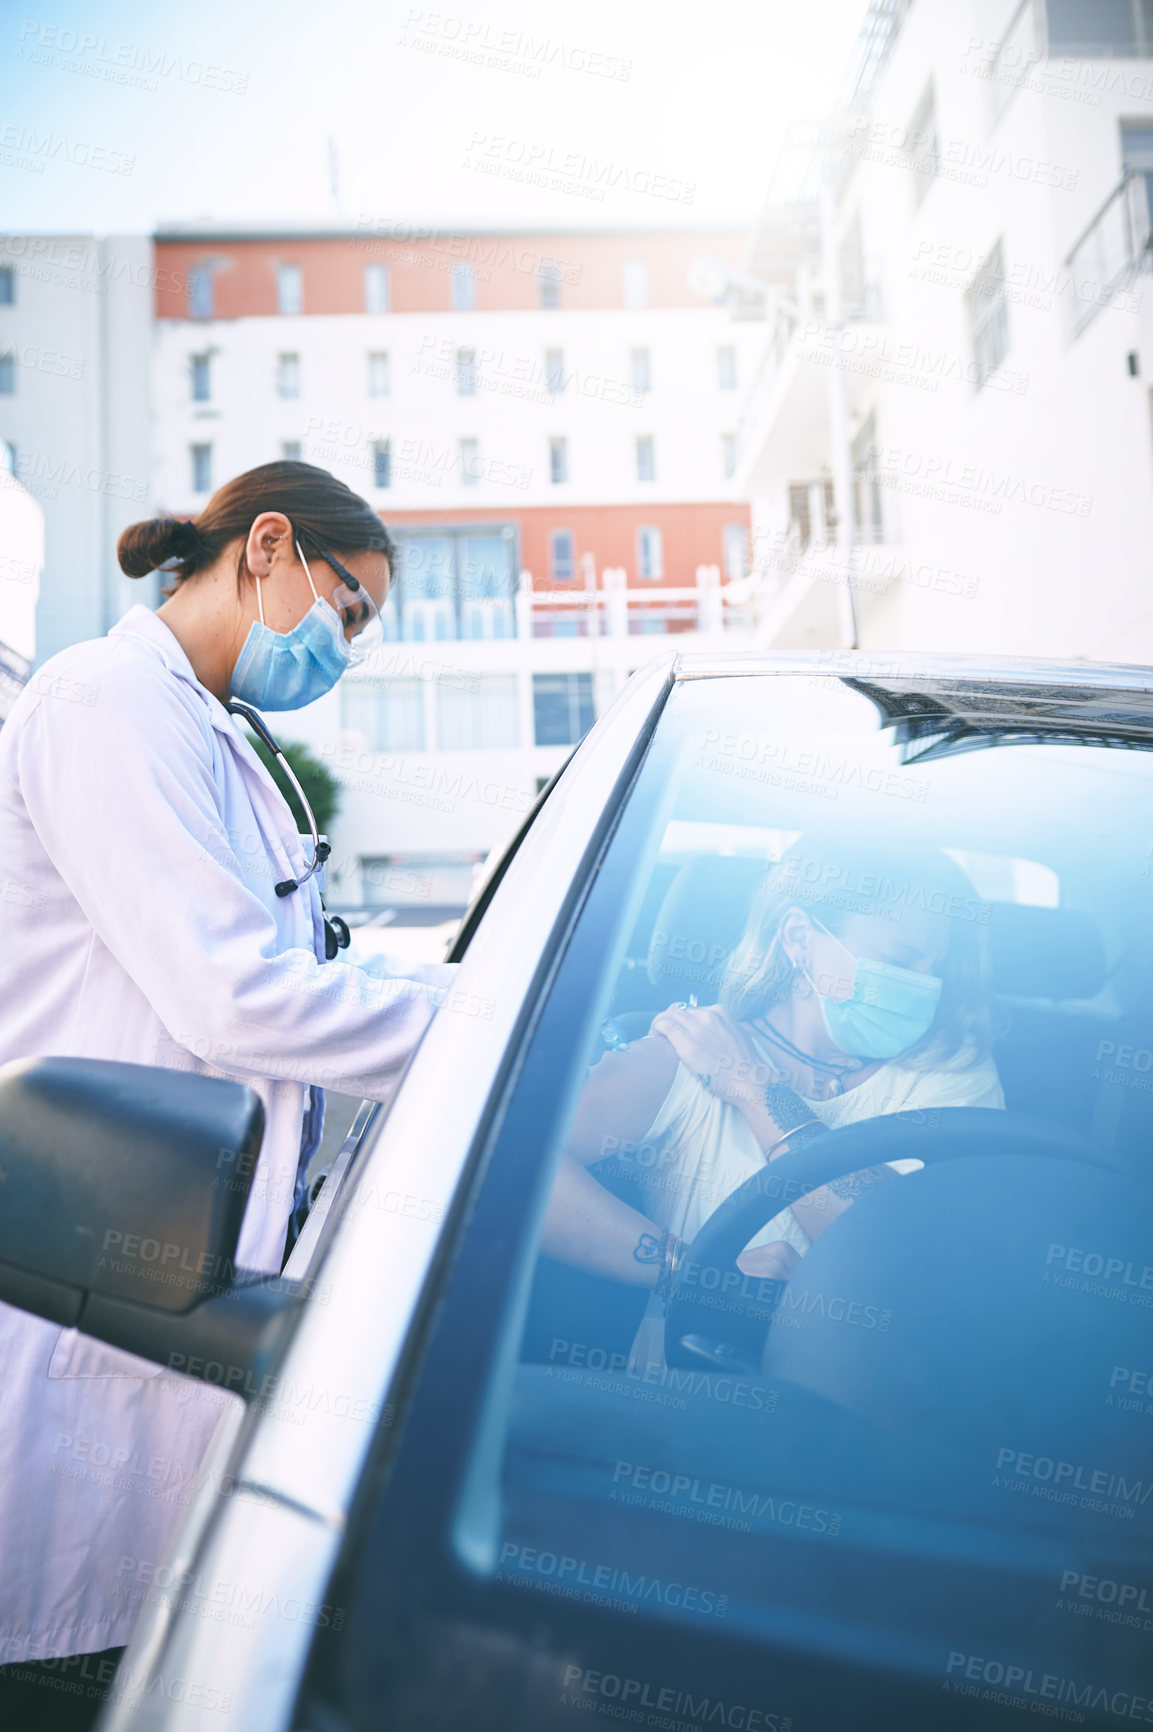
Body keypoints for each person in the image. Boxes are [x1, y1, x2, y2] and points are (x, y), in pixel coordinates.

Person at [0, 462, 458, 1705]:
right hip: (92, 1283)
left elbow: (302, 974)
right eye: (347, 610)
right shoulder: (102, 702)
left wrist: (457, 993)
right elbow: (234, 998)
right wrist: (487, 1031)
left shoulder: (214, 732)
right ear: (267, 546)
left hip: (177, 1278)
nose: (343, 651)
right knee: (76, 1668)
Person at [541, 834, 1003, 1342]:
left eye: (933, 969)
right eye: (899, 959)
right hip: (688, 1397)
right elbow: (519, 1161)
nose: (925, 986)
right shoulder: (691, 1048)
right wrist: (693, 1272)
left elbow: (887, 1255)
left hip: (876, 1392)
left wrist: (756, 1090)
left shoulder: (953, 1070)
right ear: (800, 937)